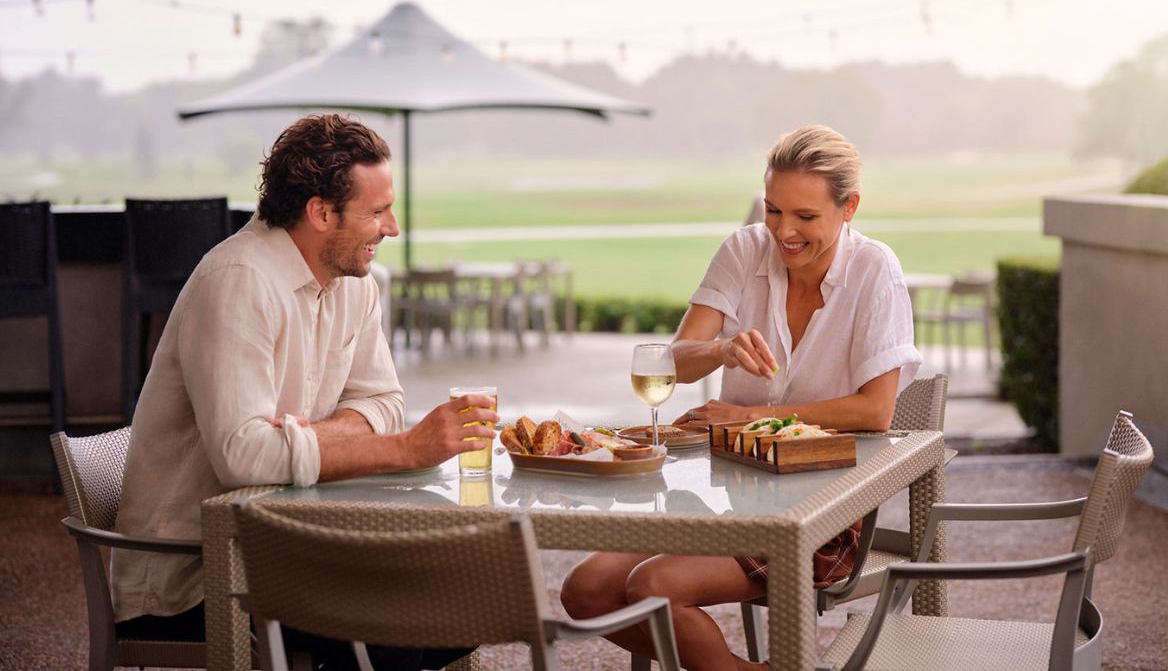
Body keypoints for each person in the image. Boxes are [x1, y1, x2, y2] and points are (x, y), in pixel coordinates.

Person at [110, 114, 498, 670]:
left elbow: (385, 403)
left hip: (292, 544)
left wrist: (301, 438)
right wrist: (406, 450)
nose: (392, 228)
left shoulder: (355, 284)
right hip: (195, 574)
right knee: (395, 629)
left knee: (461, 603)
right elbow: (244, 458)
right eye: (377, 212)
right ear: (321, 213)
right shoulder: (237, 281)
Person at [560, 125, 921, 671]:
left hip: (822, 513)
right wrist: (722, 348)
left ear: (849, 208)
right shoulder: (744, 248)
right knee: (584, 591)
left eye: (806, 216)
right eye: (774, 210)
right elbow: (674, 362)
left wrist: (755, 415)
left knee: (653, 587)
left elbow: (876, 411)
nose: (784, 232)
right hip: (726, 493)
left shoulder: (875, 270)